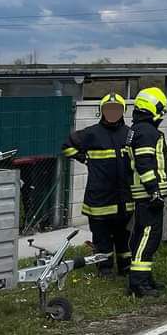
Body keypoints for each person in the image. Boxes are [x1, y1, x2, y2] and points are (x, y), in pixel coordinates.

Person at [62, 93, 132, 277]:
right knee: (102, 239)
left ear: (123, 111)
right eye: (108, 109)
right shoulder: (91, 133)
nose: (112, 113)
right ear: (101, 111)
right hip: (99, 200)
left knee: (124, 237)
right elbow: (67, 145)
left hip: (124, 200)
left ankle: (126, 268)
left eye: (116, 109)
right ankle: (105, 268)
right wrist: (83, 158)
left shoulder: (129, 134)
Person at [125, 87, 167, 298]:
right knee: (148, 237)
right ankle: (138, 284)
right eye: (161, 110)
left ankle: (145, 279)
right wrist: (154, 191)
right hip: (148, 195)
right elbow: (145, 163)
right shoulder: (147, 132)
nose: (162, 115)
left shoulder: (138, 130)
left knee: (144, 236)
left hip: (143, 194)